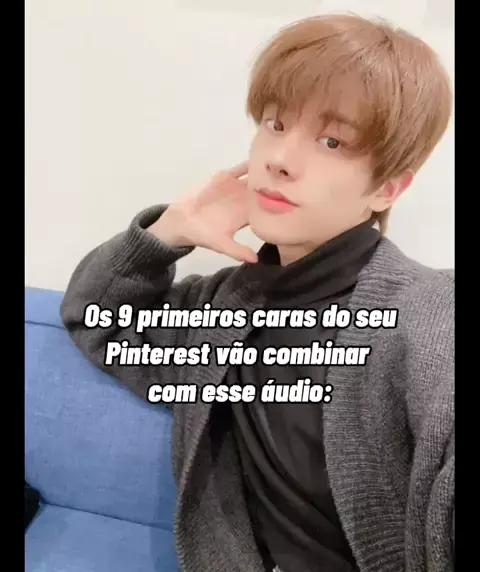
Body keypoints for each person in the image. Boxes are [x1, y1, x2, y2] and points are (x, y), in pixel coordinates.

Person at [60, 12, 454, 572]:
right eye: (274, 123)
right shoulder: (222, 307)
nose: (280, 159)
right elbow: (96, 317)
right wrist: (168, 232)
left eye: (331, 140)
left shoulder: (430, 319)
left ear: (387, 188)